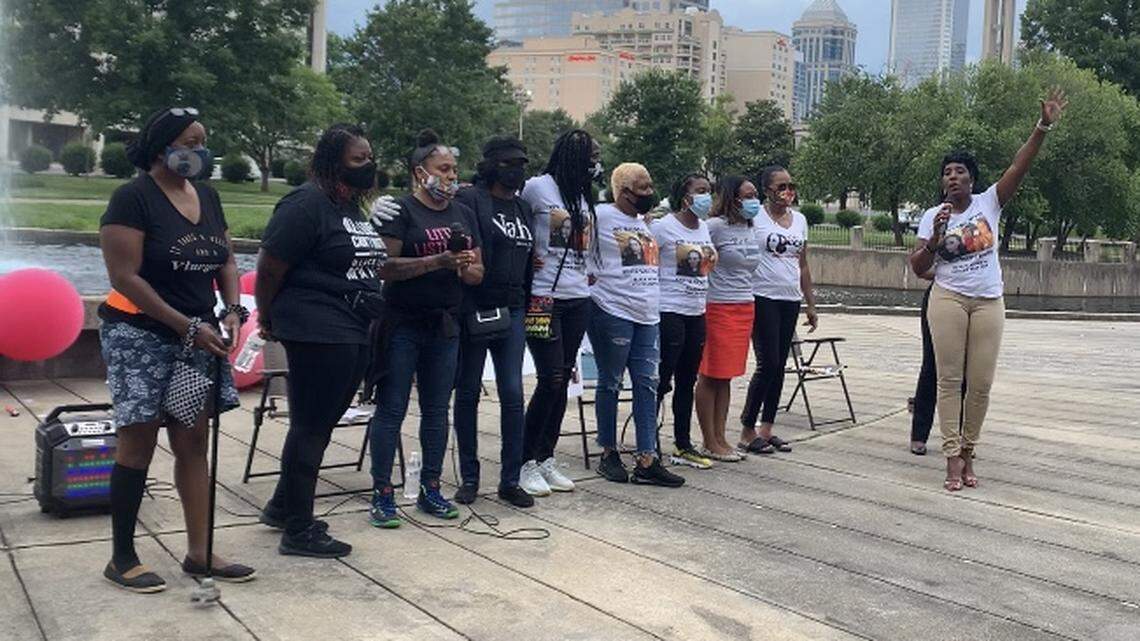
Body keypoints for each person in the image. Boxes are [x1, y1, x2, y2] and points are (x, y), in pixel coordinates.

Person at [98, 107, 254, 592]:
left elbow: (225, 258)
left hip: (196, 339)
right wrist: (185, 325)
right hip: (140, 334)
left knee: (192, 441)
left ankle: (199, 552)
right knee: (138, 439)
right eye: (190, 141)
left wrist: (231, 309)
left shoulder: (206, 195)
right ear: (163, 145)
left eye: (203, 141)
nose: (199, 151)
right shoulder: (132, 198)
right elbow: (125, 277)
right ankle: (122, 557)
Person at [910, 88, 1067, 491]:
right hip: (947, 299)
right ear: (942, 182)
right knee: (947, 380)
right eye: (947, 172)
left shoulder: (989, 203)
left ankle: (968, 452)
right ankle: (949, 460)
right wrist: (935, 238)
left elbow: (1021, 165)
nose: (953, 176)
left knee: (979, 383)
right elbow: (918, 267)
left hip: (987, 302)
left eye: (960, 171)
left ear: (972, 178)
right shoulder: (933, 216)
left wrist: (1043, 126)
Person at [254, 123, 390, 558]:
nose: (367, 165)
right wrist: (268, 317)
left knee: (320, 423)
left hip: (351, 327)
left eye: (369, 158)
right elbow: (270, 267)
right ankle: (299, 529)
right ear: (332, 162)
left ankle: (282, 506)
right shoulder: (306, 204)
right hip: (316, 327)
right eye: (357, 159)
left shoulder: (351, 208)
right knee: (310, 427)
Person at [368, 130, 484, 525]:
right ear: (421, 172)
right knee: (392, 409)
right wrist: (437, 261)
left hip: (445, 325)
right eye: (444, 169)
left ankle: (430, 489)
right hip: (402, 322)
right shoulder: (401, 212)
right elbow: (384, 267)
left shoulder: (463, 214)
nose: (451, 176)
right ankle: (382, 493)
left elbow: (476, 273)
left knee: (437, 411)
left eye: (454, 169)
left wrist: (466, 265)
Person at [451, 136, 536, 508]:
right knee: (468, 392)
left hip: (514, 307)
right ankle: (469, 478)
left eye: (522, 163)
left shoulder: (523, 208)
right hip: (474, 307)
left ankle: (510, 479)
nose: (517, 169)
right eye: (509, 162)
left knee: (513, 394)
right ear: (491, 165)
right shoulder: (470, 200)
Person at [588, 162, 685, 487]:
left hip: (648, 314)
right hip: (612, 309)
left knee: (648, 384)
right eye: (642, 188)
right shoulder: (599, 216)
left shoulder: (644, 223)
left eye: (649, 186)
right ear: (623, 191)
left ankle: (647, 457)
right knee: (611, 382)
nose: (649, 192)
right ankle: (608, 451)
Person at [518, 129, 602, 496]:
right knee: (549, 378)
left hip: (577, 296)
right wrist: (525, 258)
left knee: (564, 378)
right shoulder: (538, 187)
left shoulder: (584, 194)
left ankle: (545, 456)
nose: (596, 164)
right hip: (543, 298)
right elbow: (519, 228)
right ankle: (524, 461)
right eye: (591, 156)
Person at [739, 166, 818, 454]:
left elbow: (803, 263)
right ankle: (747, 429)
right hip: (762, 296)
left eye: (790, 185)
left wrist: (810, 303)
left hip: (789, 297)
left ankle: (767, 427)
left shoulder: (799, 220)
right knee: (767, 362)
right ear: (767, 190)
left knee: (780, 365)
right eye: (781, 185)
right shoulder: (755, 217)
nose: (787, 191)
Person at [652, 173, 717, 470]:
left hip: (696, 311)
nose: (706, 196)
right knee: (662, 379)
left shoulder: (703, 227)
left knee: (687, 380)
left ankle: (682, 443)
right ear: (684, 195)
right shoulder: (663, 227)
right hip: (670, 311)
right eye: (700, 191)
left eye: (709, 191)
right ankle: (648, 441)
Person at [694, 176, 760, 462]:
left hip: (745, 305)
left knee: (727, 376)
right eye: (747, 195)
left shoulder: (749, 226)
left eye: (755, 194)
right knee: (710, 374)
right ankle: (709, 440)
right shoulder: (714, 227)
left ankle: (721, 437)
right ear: (732, 198)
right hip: (718, 306)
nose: (753, 200)